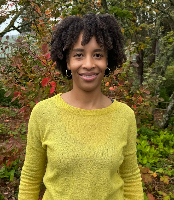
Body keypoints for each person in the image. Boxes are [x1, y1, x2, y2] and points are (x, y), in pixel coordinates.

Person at [18, 13, 144, 200]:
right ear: (67, 61)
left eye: (98, 55)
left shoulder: (125, 115)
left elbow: (131, 177)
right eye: (79, 55)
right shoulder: (43, 113)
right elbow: (30, 179)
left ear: (107, 61)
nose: (88, 64)